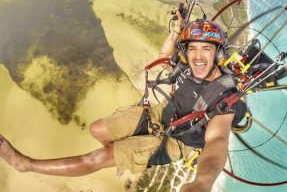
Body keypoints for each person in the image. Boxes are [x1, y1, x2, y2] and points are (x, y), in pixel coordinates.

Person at [0, 10, 247, 192]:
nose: (198, 56)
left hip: (175, 141)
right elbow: (164, 56)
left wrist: (202, 183)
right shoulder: (185, 66)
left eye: (206, 49)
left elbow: (216, 143)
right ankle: (121, 153)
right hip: (160, 113)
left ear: (219, 54)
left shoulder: (224, 97)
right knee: (97, 129)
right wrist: (175, 31)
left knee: (96, 158)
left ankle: (25, 164)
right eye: (192, 48)